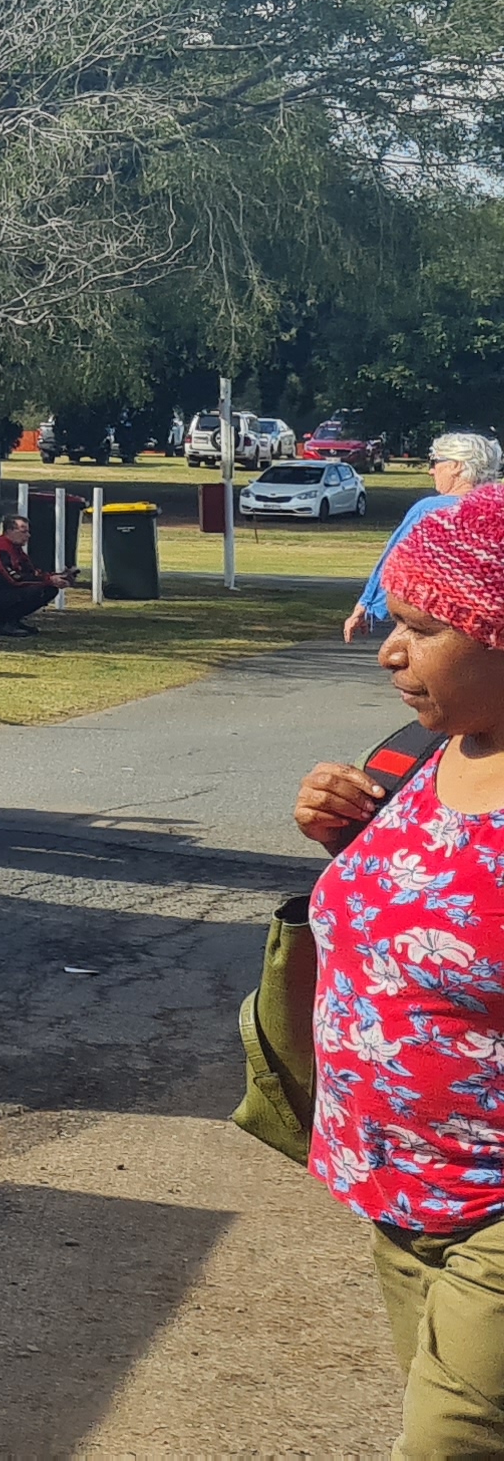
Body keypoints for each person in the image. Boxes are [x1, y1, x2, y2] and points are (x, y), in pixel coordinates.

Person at [290, 484, 504, 1455]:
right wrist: (348, 828)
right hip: (400, 1194)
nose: (388, 649)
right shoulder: (426, 750)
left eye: (422, 627)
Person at [353, 434, 504, 643]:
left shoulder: (431, 510)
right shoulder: (498, 512)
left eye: (435, 462)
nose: (431, 470)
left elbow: (395, 562)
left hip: (436, 628)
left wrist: (366, 606)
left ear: (456, 466)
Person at [0, 514, 76, 636]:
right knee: (37, 590)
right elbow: (13, 578)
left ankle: (13, 620)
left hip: (6, 593)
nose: (28, 535)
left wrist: (57, 577)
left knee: (49, 589)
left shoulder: (16, 549)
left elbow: (31, 573)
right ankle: (5, 623)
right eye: (23, 532)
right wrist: (49, 580)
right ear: (10, 531)